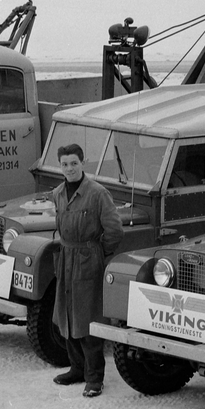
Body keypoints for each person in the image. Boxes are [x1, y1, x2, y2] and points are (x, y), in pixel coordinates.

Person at [51, 142, 122, 395]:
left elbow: (114, 229)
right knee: (68, 318)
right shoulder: (58, 193)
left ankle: (94, 378)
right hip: (66, 258)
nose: (69, 169)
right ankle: (77, 369)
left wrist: (97, 253)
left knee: (88, 320)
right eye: (64, 164)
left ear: (83, 163)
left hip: (88, 261)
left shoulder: (97, 193)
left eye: (74, 163)